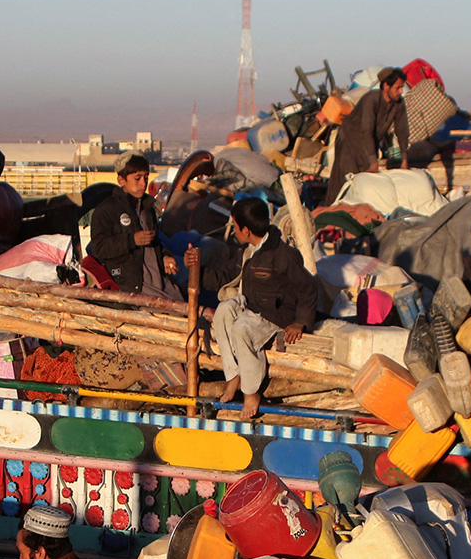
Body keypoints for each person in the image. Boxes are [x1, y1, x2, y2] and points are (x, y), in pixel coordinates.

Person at [193, 197, 318, 421]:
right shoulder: (249, 251)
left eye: (236, 227)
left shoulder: (283, 256)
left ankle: (251, 392)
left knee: (242, 328)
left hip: (274, 315)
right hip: (250, 306)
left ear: (246, 229)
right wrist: (196, 272)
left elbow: (308, 288)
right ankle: (234, 376)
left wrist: (300, 321)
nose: (234, 232)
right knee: (223, 311)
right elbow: (224, 276)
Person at [85, 152, 180, 300]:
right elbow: (99, 247)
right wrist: (132, 240)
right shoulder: (107, 210)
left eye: (146, 178)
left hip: (159, 279)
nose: (143, 183)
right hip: (133, 283)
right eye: (137, 178)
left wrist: (165, 256)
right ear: (121, 180)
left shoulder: (147, 208)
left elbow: (155, 241)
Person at [325, 67, 411, 201]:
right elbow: (367, 129)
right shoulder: (371, 99)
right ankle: (334, 210)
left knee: (365, 182)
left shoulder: (398, 104)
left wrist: (405, 159)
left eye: (402, 88)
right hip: (350, 138)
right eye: (397, 88)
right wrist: (373, 160)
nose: (400, 92)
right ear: (386, 86)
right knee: (346, 180)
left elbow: (402, 130)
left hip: (369, 143)